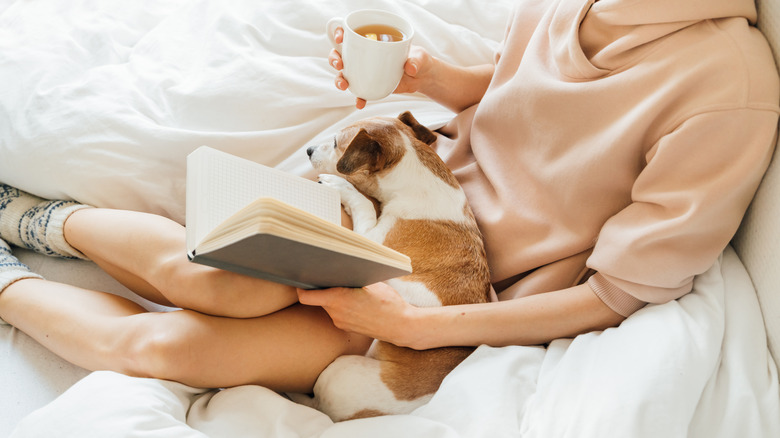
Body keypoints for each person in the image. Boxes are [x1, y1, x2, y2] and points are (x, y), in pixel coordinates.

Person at [0, 0, 777, 395]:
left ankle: (7, 278)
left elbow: (617, 293)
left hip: (456, 289)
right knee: (217, 279)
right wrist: (427, 77)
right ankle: (36, 220)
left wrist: (417, 320)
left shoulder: (728, 88)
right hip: (397, 205)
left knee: (170, 349)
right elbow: (509, 88)